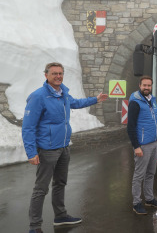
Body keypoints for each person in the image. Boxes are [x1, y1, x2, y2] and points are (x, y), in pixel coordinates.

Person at [22, 62, 108, 233]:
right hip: (47, 149)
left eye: (60, 73)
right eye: (54, 73)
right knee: (41, 189)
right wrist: (31, 152)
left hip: (63, 147)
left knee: (60, 183)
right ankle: (34, 226)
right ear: (46, 75)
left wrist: (95, 99)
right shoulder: (38, 96)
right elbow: (28, 127)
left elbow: (76, 103)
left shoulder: (63, 94)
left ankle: (60, 216)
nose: (58, 76)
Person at [127, 76, 157, 215]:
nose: (147, 88)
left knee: (151, 173)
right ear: (139, 85)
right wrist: (136, 146)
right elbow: (130, 127)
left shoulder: (151, 100)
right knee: (139, 175)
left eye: (149, 85)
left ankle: (149, 199)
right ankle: (136, 202)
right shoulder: (135, 103)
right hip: (142, 145)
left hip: (154, 142)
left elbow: (155, 114)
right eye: (144, 85)